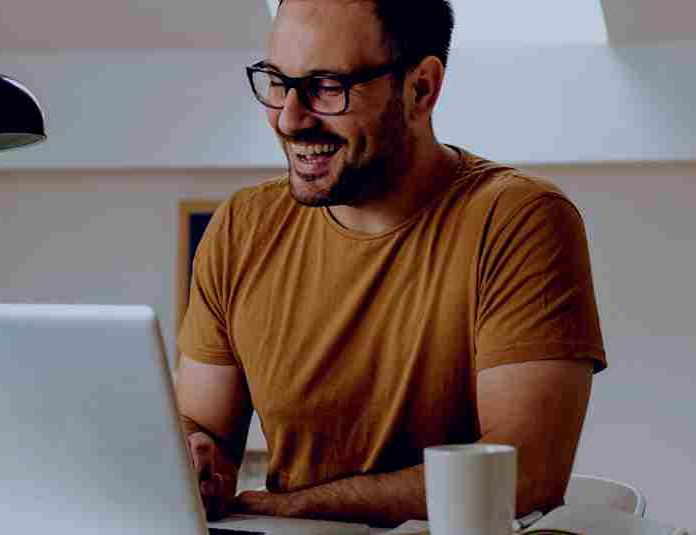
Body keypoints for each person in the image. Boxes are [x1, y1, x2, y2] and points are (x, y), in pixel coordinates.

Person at [175, 0, 606, 527]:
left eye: (327, 86)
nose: (289, 117)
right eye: (277, 81)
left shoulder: (521, 220)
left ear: (420, 88)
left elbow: (524, 474)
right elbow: (206, 432)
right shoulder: (241, 227)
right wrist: (193, 456)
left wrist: (297, 507)